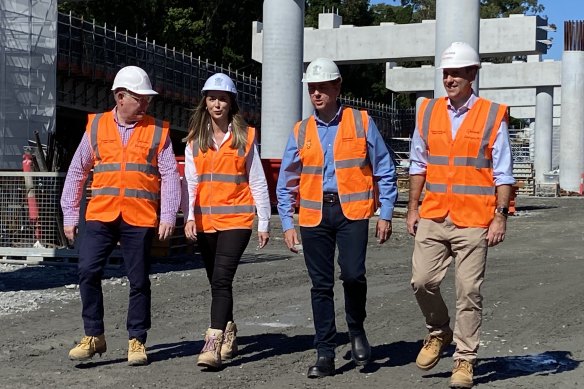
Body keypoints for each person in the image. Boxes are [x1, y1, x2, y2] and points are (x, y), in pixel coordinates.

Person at [276, 58, 398, 378]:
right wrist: (287, 222)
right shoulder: (301, 131)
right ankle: (325, 352)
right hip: (314, 214)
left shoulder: (360, 122)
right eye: (312, 88)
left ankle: (356, 329)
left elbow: (385, 169)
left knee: (354, 274)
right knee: (321, 285)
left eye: (322, 87)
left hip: (352, 213)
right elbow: (287, 180)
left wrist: (385, 213)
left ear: (337, 87)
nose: (316, 93)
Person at [407, 42, 515, 389]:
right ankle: (438, 330)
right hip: (434, 214)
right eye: (445, 73)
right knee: (421, 281)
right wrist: (411, 209)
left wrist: (500, 216)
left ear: (473, 74)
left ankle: (465, 360)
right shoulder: (427, 112)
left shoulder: (491, 114)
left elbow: (504, 172)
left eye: (456, 72)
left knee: (468, 291)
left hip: (474, 219)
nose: (449, 78)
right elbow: (418, 164)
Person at [61, 65, 181, 366]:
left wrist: (168, 214)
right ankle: (94, 336)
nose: (145, 103)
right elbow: (78, 171)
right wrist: (70, 214)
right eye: (139, 98)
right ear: (120, 96)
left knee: (139, 279)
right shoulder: (97, 127)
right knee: (87, 271)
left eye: (147, 99)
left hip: (138, 216)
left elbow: (169, 174)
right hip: (101, 214)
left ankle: (137, 339)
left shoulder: (157, 131)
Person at [183, 73, 271, 370]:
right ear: (205, 103)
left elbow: (257, 180)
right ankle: (230, 331)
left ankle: (212, 344)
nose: (217, 104)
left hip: (237, 218)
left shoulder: (245, 138)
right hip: (206, 220)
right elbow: (191, 183)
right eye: (211, 98)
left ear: (231, 102)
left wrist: (263, 221)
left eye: (222, 98)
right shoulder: (195, 139)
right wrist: (189, 217)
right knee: (217, 282)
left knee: (221, 278)